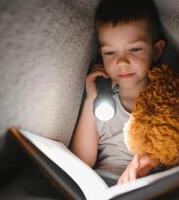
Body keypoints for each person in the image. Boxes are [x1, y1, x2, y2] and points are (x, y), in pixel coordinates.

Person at [70, 0, 166, 185]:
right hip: (102, 184)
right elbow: (81, 161)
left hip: (150, 184)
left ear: (156, 50)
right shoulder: (103, 102)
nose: (122, 62)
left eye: (135, 49)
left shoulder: (165, 100)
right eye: (111, 52)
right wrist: (91, 98)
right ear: (101, 55)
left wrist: (148, 163)